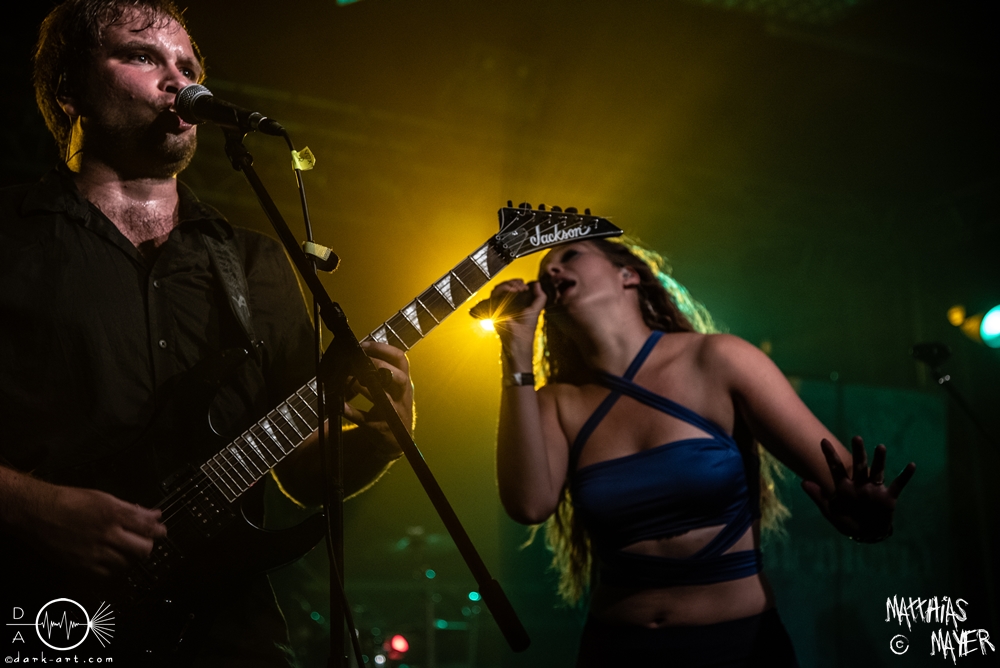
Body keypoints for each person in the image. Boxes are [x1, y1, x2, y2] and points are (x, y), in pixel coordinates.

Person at [0, 1, 412, 665]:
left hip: (229, 634)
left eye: (188, 67)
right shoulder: (10, 236)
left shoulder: (256, 262)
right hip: (46, 616)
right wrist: (33, 507)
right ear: (69, 89)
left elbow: (302, 473)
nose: (179, 80)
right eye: (142, 56)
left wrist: (380, 438)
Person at [491, 237, 915, 666]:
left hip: (739, 648)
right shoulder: (557, 403)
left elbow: (843, 478)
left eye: (570, 256)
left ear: (628, 275)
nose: (551, 271)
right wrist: (515, 354)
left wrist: (870, 520)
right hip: (615, 651)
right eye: (544, 270)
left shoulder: (719, 359)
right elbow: (529, 505)